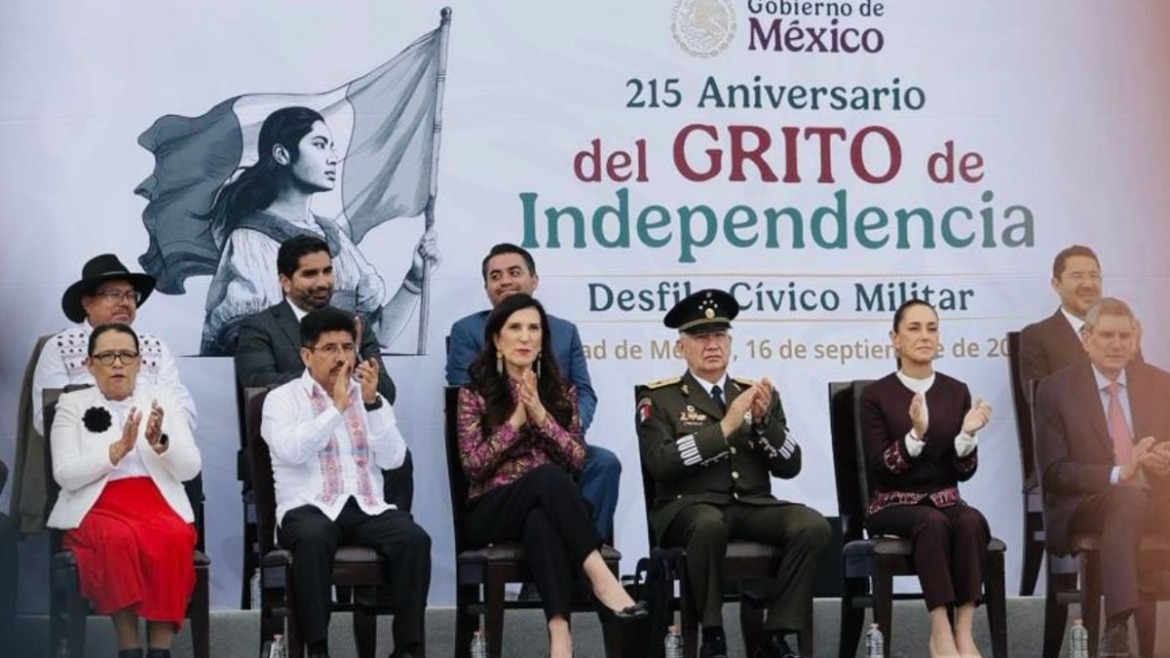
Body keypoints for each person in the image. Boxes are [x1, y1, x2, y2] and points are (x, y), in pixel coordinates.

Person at [637, 289, 829, 658]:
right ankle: (713, 635)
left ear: (730, 342)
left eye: (719, 335)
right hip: (688, 508)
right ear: (681, 347)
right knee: (708, 524)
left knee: (812, 526)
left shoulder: (754, 393)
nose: (712, 344)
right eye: (700, 336)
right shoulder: (659, 398)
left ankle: (776, 634)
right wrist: (725, 426)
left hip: (751, 505)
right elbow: (660, 463)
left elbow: (791, 464)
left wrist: (764, 423)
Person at [456, 293, 646, 658]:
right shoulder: (475, 393)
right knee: (547, 477)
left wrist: (542, 416)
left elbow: (577, 459)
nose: (525, 337)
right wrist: (516, 421)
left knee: (541, 520)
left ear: (543, 340)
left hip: (548, 506)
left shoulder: (561, 392)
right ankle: (600, 578)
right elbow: (473, 466)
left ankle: (560, 636)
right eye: (515, 328)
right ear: (497, 339)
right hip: (491, 508)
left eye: (534, 328)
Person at [201, 106, 440, 356]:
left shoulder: (333, 234)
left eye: (331, 146)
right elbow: (252, 346)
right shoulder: (252, 239)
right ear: (282, 154)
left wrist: (415, 277)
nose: (332, 157)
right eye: (319, 145)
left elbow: (380, 334)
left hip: (343, 378)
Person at [261, 308, 430, 658]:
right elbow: (291, 450)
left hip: (366, 505)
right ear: (307, 355)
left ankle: (408, 649)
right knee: (313, 537)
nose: (342, 358)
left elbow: (394, 460)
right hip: (307, 507)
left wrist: (372, 405)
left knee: (413, 538)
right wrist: (335, 409)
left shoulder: (368, 395)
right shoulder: (282, 399)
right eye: (330, 349)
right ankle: (317, 649)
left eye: (348, 348)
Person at [46, 324, 202, 658]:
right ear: (90, 364)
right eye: (107, 356)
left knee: (174, 536)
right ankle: (128, 649)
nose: (117, 363)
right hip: (95, 505)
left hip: (157, 503)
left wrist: (160, 443)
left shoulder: (164, 400)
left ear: (140, 362)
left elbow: (190, 468)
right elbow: (65, 474)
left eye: (126, 355)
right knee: (118, 539)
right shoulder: (72, 404)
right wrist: (115, 451)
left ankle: (159, 651)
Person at [447, 243, 620, 541]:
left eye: (514, 273)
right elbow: (460, 393)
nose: (505, 281)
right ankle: (587, 559)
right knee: (543, 479)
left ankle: (593, 546)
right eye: (495, 276)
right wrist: (516, 416)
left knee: (603, 462)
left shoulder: (564, 331)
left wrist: (564, 427)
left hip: (555, 435)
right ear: (487, 287)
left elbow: (584, 391)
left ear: (534, 280)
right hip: (499, 440)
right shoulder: (468, 330)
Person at [15, 254, 195, 533]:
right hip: (90, 471)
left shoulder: (154, 347)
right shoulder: (60, 346)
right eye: (113, 294)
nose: (125, 302)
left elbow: (183, 410)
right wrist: (114, 441)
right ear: (87, 303)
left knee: (172, 529)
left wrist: (158, 435)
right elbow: (45, 419)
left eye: (130, 295)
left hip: (154, 465)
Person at [1035, 298, 1170, 658]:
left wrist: (1164, 465)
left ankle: (1119, 629)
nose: (1116, 345)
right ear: (1087, 338)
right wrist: (1119, 472)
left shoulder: (1160, 384)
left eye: (1125, 336)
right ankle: (1116, 627)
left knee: (1137, 500)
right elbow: (1055, 473)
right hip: (1087, 503)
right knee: (1128, 498)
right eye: (1107, 335)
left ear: (1136, 338)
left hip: (1154, 500)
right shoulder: (1056, 390)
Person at [236, 234, 411, 510]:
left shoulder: (353, 325)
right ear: (285, 281)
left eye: (327, 271)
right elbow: (258, 383)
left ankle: (393, 527)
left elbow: (386, 391)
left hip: (355, 443)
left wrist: (356, 362)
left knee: (400, 459)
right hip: (297, 445)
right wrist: (328, 375)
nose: (322, 282)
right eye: (310, 274)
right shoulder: (260, 327)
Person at [860, 299, 994, 658]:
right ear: (895, 338)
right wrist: (915, 435)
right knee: (931, 523)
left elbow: (964, 471)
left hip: (945, 500)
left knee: (971, 521)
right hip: (891, 504)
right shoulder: (876, 395)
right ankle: (939, 632)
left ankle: (964, 632)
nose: (925, 336)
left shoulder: (956, 391)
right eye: (914, 328)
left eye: (932, 328)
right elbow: (880, 468)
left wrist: (967, 436)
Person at [1019, 245, 1142, 401]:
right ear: (1057, 285)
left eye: (1094, 276)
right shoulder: (1038, 336)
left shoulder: (1121, 331)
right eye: (1077, 276)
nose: (1088, 284)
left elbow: (1142, 391)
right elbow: (1041, 401)